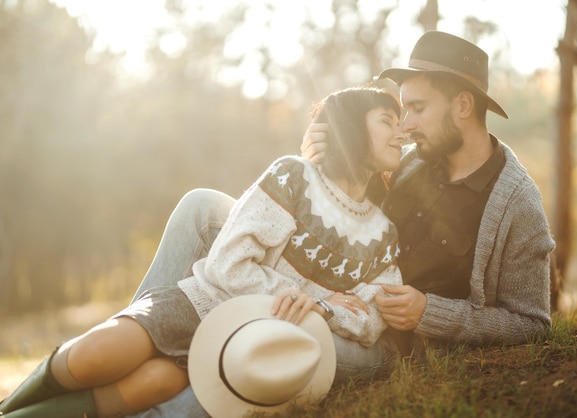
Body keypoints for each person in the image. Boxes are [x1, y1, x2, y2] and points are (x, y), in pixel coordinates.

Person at [121, 30, 556, 418]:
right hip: (326, 281)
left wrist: (430, 313)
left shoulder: (516, 203)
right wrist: (318, 169)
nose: (405, 125)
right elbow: (348, 212)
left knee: (277, 337)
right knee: (201, 208)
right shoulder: (411, 163)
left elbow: (531, 322)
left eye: (418, 109)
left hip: (378, 336)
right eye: (402, 112)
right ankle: (126, 341)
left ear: (463, 105)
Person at [0, 86, 407, 418]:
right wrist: (313, 297)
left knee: (155, 383)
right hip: (205, 301)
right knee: (95, 354)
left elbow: (372, 316)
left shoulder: (384, 233)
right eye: (388, 121)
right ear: (352, 125)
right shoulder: (294, 175)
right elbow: (229, 261)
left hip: (246, 344)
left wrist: (324, 310)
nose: (401, 135)